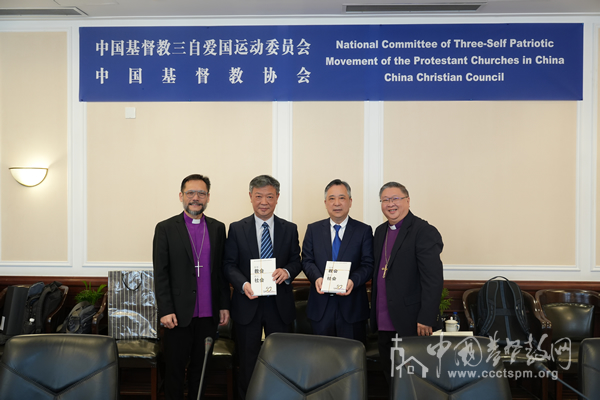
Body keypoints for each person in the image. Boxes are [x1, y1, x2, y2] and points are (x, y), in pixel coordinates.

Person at [223, 174, 302, 399]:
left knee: (281, 360)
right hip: (248, 303)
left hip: (280, 305)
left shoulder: (289, 228)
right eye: (258, 196)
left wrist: (287, 272)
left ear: (277, 197)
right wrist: (243, 284)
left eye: (269, 196)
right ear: (250, 197)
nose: (264, 202)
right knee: (247, 362)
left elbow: (297, 261)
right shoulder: (237, 228)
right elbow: (229, 265)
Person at [153, 174, 231, 400]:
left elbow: (221, 271)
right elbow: (161, 273)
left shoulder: (217, 228)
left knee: (201, 369)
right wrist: (165, 309)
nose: (196, 198)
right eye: (190, 193)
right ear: (181, 196)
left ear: (208, 197)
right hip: (177, 315)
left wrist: (224, 305)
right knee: (175, 370)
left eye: (201, 193)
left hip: (208, 314)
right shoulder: (166, 228)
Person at [370, 181, 444, 382]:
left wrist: (426, 317)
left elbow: (433, 279)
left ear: (408, 200)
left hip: (412, 322)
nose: (390, 204)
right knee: (390, 377)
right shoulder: (380, 232)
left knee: (414, 380)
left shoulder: (423, 231)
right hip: (383, 318)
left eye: (396, 199)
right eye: (385, 200)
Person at [301, 179, 374, 343]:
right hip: (321, 307)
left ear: (350, 202)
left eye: (342, 198)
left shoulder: (363, 231)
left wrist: (353, 281)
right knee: (321, 354)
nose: (337, 203)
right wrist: (317, 278)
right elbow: (307, 260)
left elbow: (368, 264)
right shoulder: (313, 230)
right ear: (325, 203)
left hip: (352, 307)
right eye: (332, 198)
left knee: (351, 355)